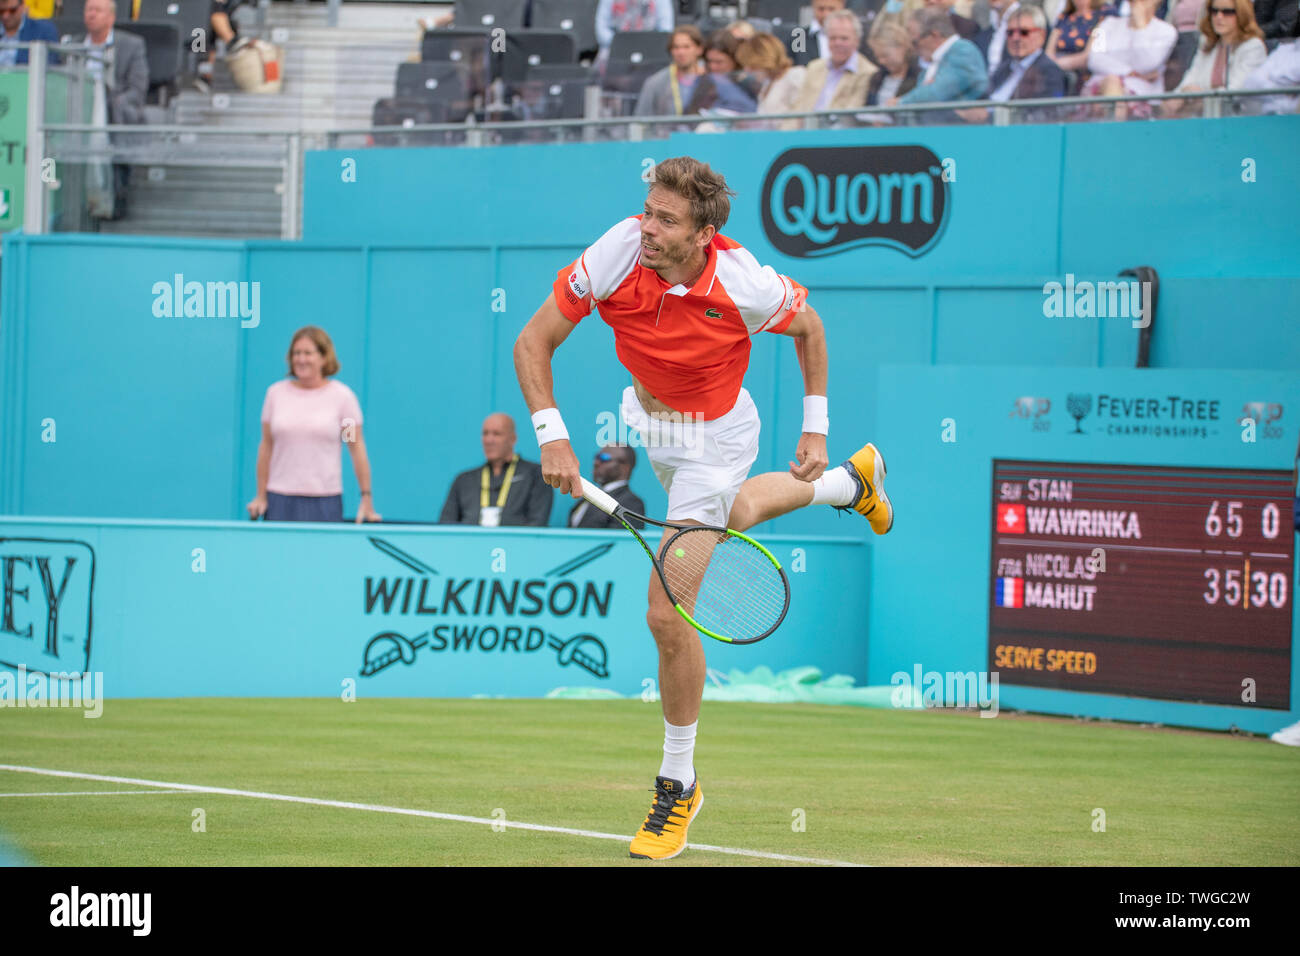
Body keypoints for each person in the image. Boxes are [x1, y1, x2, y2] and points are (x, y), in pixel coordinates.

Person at [513, 156, 894, 861]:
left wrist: (815, 425)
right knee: (733, 519)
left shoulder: (744, 282)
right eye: (648, 211)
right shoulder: (619, 248)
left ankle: (677, 781)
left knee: (666, 611)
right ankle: (849, 485)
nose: (647, 228)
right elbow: (532, 340)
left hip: (718, 439)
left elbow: (810, 329)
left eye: (666, 220)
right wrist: (553, 437)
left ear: (705, 233)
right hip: (653, 426)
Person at [248, 326, 381, 523]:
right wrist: (261, 495)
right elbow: (266, 446)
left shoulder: (342, 398)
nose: (301, 359)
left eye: (308, 353)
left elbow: (354, 447)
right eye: (296, 353)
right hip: (280, 499)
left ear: (324, 357)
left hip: (324, 501)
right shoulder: (275, 395)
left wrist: (366, 497)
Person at [76, 0, 147, 219]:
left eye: (97, 10)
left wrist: (109, 103)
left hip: (114, 110)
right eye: (89, 10)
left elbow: (138, 89)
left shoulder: (132, 44)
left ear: (111, 17)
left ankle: (112, 198)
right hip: (77, 108)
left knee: (115, 115)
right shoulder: (73, 44)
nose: (91, 14)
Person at [439, 414, 553, 527]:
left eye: (497, 434)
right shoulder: (463, 480)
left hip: (516, 544)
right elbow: (446, 525)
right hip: (469, 544)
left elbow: (537, 524)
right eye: (485, 433)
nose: (489, 440)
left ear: (513, 439)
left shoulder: (536, 475)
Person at [959, 4, 1068, 120]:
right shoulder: (1005, 67)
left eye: (1024, 32)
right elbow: (983, 98)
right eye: (1010, 33)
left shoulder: (1049, 71)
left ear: (1042, 35)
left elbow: (1042, 115)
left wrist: (989, 116)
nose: (1015, 38)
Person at [1161, 0, 1267, 113]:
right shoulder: (1208, 43)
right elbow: (1191, 78)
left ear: (1242, 14)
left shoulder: (1253, 46)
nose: (1219, 17)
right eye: (1214, 11)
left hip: (1240, 117)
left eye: (1228, 12)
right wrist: (1177, 97)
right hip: (1207, 116)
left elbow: (1236, 91)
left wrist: (1201, 94)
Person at [1082, 0, 1178, 118]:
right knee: (1112, 82)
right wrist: (1130, 72)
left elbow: (1147, 64)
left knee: (1113, 84)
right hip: (1099, 91)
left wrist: (1140, 27)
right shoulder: (1107, 24)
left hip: (1143, 97)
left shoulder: (1167, 31)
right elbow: (1093, 58)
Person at [787, 10, 877, 127]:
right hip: (803, 138)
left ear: (857, 40)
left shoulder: (868, 72)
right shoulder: (814, 67)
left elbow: (849, 118)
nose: (837, 43)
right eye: (833, 38)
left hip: (837, 139)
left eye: (844, 38)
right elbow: (797, 110)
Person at [895, 7, 989, 106]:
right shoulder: (936, 61)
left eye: (915, 42)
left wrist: (900, 102)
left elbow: (937, 93)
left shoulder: (963, 51)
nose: (914, 49)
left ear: (934, 35)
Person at [735, 31, 807, 125]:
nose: (748, 70)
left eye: (752, 66)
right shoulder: (767, 84)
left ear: (765, 60)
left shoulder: (795, 76)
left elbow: (801, 118)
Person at [634, 25, 706, 117]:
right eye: (676, 47)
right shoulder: (655, 83)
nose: (681, 52)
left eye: (686, 47)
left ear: (699, 49)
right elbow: (641, 121)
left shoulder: (712, 79)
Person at [568, 445, 646, 529]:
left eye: (604, 458)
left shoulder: (631, 503)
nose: (596, 463)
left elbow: (619, 540)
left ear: (625, 467)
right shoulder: (586, 498)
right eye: (596, 457)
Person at [595, 0, 674, 65]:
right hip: (617, 46)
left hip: (650, 46)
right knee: (603, 57)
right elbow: (602, 29)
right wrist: (619, 44)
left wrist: (647, 44)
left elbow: (666, 30)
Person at [1048, 0, 1116, 74]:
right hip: (1056, 67)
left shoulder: (1103, 13)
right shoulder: (1064, 16)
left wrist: (1054, 65)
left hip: (1082, 71)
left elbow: (1088, 55)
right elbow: (1049, 50)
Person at [864, 21, 922, 105]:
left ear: (902, 47)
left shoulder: (919, 78)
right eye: (878, 57)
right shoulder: (876, 79)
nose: (881, 61)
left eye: (885, 56)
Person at [1241, 36, 1300, 111]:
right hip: (1269, 119)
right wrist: (1287, 92)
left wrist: (1276, 82)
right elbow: (1251, 84)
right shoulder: (1283, 50)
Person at [0, 0, 59, 66]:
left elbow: (51, 66)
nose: (6, 16)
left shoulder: (43, 30)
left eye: (12, 10)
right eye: (1, 11)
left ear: (22, 6)